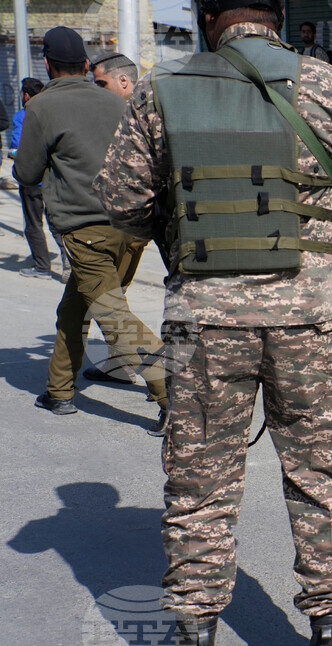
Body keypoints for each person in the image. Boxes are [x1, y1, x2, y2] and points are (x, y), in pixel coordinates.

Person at [94, 0, 332, 646]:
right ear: (281, 14)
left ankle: (193, 643)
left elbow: (120, 203)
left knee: (199, 482)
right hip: (310, 318)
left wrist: (186, 246)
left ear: (208, 18)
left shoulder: (160, 89)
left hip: (203, 318)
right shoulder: (330, 85)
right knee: (320, 477)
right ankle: (330, 643)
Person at [13, 27, 168, 434]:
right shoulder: (115, 100)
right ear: (85, 64)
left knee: (114, 315)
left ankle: (174, 394)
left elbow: (26, 172)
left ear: (47, 65)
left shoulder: (42, 108)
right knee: (76, 306)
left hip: (86, 231)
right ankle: (59, 390)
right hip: (132, 227)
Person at [82, 51, 153, 385]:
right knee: (113, 295)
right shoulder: (141, 107)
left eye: (102, 83)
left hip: (130, 222)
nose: (97, 90)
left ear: (124, 81)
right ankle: (119, 362)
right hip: (137, 221)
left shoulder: (135, 112)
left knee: (107, 300)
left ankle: (165, 374)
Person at [11, 77, 69, 281]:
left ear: (26, 95)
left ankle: (42, 266)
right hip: (53, 177)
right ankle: (69, 263)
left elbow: (18, 146)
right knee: (58, 223)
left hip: (31, 178)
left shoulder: (23, 115)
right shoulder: (53, 112)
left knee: (34, 223)